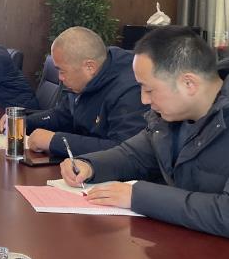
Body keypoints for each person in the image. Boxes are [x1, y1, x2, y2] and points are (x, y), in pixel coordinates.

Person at [61, 26, 229, 237]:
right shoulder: (169, 118)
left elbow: (225, 214)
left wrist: (138, 196)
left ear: (189, 83)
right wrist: (90, 165)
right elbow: (134, 155)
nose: (143, 100)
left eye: (149, 89)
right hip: (179, 241)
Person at [0, 26, 147, 157]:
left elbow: (124, 151)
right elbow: (62, 115)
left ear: (89, 67)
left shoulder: (130, 89)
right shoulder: (85, 80)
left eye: (62, 71)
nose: (60, 78)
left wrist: (55, 141)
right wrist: (24, 122)